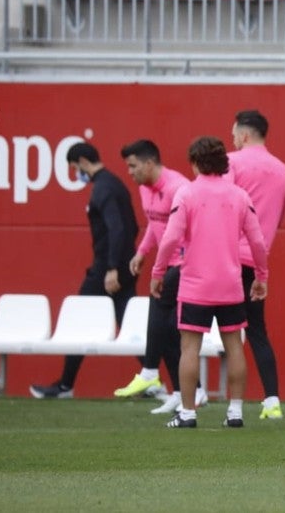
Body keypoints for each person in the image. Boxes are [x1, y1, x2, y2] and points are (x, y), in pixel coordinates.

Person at [154, 136, 269, 428]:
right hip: (230, 285)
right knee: (234, 347)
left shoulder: (187, 194)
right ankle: (235, 412)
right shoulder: (240, 196)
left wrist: (157, 273)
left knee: (189, 348)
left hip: (195, 285)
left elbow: (170, 239)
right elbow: (257, 241)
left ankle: (188, 413)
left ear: (194, 163)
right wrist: (261, 276)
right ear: (223, 162)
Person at [31, 143, 139, 399]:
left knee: (78, 320)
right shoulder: (113, 185)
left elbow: (118, 229)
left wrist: (112, 267)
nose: (75, 172)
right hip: (117, 266)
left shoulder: (104, 188)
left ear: (81, 161)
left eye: (73, 167)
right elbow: (132, 227)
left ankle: (65, 386)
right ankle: (153, 378)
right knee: (129, 324)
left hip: (106, 269)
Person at [112, 139, 207, 415]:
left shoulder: (179, 188)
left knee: (160, 311)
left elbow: (186, 229)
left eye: (133, 166)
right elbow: (156, 226)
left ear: (150, 163)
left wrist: (175, 262)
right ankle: (184, 390)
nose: (130, 172)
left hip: (184, 263)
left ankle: (150, 369)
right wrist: (142, 252)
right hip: (166, 264)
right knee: (168, 330)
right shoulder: (145, 189)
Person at [228, 110, 285, 420]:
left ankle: (191, 393)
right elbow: (278, 218)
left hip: (225, 259)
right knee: (256, 331)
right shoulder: (283, 171)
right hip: (256, 260)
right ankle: (272, 400)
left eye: (233, 135)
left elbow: (221, 206)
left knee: (197, 329)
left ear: (243, 135)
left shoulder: (232, 163)